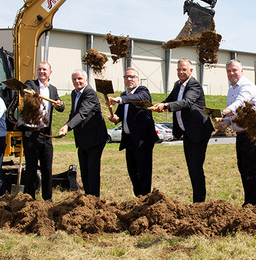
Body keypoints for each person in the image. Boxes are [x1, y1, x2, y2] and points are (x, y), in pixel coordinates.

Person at [151, 59, 213, 203]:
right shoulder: (177, 85)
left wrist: (166, 106)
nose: (181, 72)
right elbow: (171, 99)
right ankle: (197, 201)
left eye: (184, 69)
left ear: (191, 71)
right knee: (191, 167)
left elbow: (186, 102)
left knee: (196, 168)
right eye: (179, 69)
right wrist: (159, 105)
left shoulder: (194, 85)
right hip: (188, 133)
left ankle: (199, 203)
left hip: (199, 132)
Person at [216, 59, 256, 207]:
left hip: (254, 131)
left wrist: (223, 113)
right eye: (228, 71)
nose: (231, 73)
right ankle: (248, 202)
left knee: (249, 167)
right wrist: (225, 123)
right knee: (242, 166)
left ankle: (251, 203)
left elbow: (239, 105)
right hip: (241, 133)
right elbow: (232, 114)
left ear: (242, 71)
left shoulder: (246, 86)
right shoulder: (231, 89)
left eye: (234, 70)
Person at [108, 67, 158, 196]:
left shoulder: (143, 92)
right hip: (129, 139)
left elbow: (137, 98)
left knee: (143, 171)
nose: (129, 79)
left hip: (143, 139)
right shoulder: (124, 95)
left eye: (132, 77)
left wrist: (119, 100)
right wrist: (115, 118)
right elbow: (120, 114)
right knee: (132, 171)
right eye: (126, 77)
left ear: (138, 79)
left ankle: (145, 198)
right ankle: (138, 196)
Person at [19, 62, 65, 201]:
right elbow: (24, 90)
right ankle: (29, 199)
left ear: (50, 72)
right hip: (31, 133)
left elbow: (60, 107)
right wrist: (30, 93)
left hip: (45, 133)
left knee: (47, 168)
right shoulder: (31, 84)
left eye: (44, 69)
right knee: (31, 168)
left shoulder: (52, 89)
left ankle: (47, 199)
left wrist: (59, 104)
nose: (41, 71)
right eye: (39, 69)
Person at [58, 69, 107, 197]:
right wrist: (65, 126)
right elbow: (74, 113)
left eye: (79, 78)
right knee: (84, 171)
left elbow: (83, 113)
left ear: (86, 80)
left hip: (95, 138)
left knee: (92, 170)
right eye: (74, 79)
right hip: (82, 138)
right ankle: (87, 197)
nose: (77, 81)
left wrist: (68, 126)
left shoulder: (89, 93)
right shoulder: (75, 93)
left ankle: (94, 198)